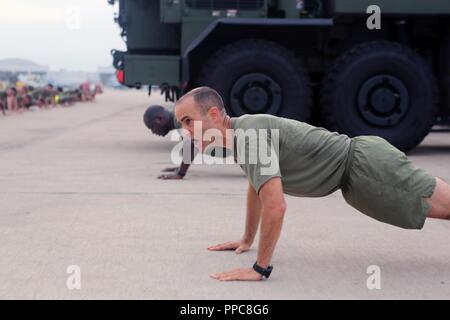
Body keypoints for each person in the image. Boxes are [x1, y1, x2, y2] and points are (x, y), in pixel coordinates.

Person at [174, 86, 450, 281]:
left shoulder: (250, 136)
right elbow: (256, 187)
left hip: (369, 170)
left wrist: (260, 269)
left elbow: (276, 206)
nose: (185, 130)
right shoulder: (239, 136)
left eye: (188, 120)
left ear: (213, 115)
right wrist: (247, 239)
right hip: (359, 176)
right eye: (181, 123)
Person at [143, 105, 195, 179]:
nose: (153, 132)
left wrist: (180, 173)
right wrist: (181, 167)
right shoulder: (178, 114)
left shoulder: (179, 119)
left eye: (152, 127)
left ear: (160, 119)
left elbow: (192, 144)